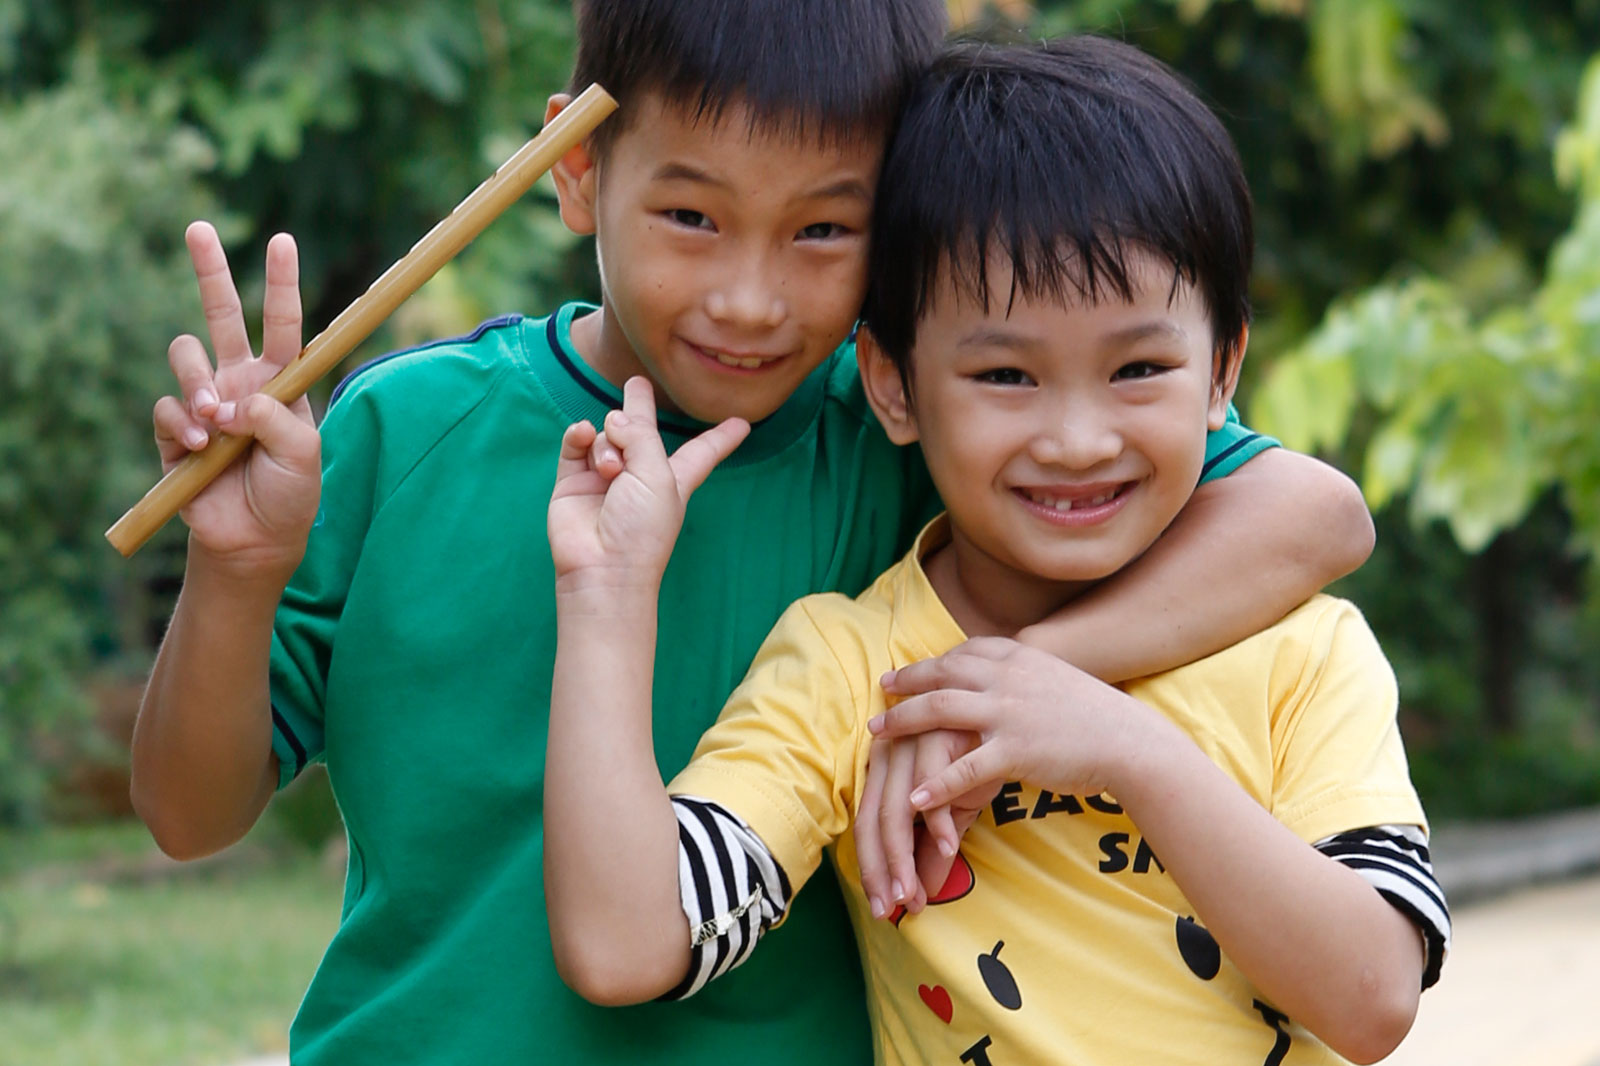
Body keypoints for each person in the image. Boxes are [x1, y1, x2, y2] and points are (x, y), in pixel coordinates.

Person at [131, 0, 1372, 1061]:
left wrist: (1018, 687)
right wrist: (236, 574)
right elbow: (189, 814)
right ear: (575, 168)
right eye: (691, 217)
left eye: (825, 229)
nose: (751, 297)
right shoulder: (406, 430)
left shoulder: (907, 428)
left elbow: (1311, 514)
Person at [543, 34, 1450, 1066]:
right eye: (1006, 376)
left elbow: (1374, 997)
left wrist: (1125, 744)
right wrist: (608, 600)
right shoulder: (854, 671)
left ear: (1221, 369)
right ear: (890, 384)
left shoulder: (1299, 647)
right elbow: (625, 944)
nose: (1076, 438)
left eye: (1139, 366)